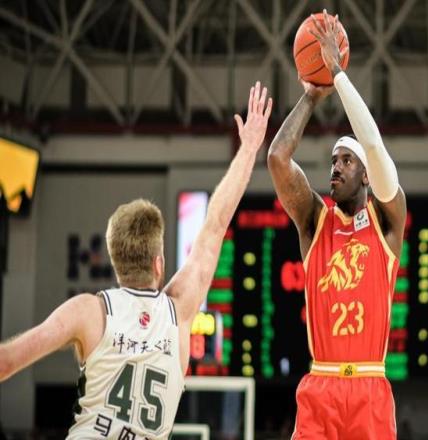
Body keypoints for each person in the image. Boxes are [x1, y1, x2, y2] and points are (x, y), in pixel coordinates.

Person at [0, 81, 272, 439]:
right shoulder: (179, 312)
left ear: (115, 261)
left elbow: (7, 361)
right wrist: (249, 148)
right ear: (159, 263)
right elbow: (216, 224)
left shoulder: (90, 311)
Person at [267, 10, 406, 440]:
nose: (336, 168)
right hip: (321, 385)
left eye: (346, 161)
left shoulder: (387, 221)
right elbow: (277, 159)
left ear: (366, 176)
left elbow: (374, 146)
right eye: (333, 161)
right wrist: (311, 96)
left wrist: (339, 76)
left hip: (370, 386)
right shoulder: (315, 221)